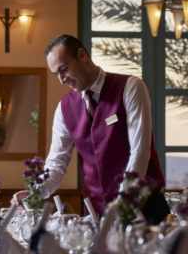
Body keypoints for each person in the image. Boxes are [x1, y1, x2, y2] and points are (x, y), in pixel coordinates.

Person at [14, 34, 166, 219]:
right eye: (56, 74)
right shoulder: (64, 109)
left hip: (144, 207)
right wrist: (35, 194)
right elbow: (56, 163)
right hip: (95, 213)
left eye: (64, 69)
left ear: (82, 55)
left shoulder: (130, 87)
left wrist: (124, 202)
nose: (61, 79)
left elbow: (140, 152)